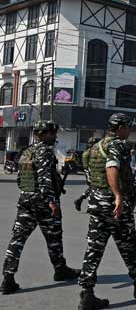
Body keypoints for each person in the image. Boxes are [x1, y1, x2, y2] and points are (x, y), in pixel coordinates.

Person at [77, 113, 136, 310]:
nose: (130, 130)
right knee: (130, 244)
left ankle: (86, 293)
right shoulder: (117, 145)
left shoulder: (96, 147)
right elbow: (112, 168)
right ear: (120, 127)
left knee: (94, 249)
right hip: (113, 206)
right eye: (128, 126)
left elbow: (90, 177)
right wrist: (118, 195)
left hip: (97, 204)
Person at [0, 121, 80, 294]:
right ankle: (60, 269)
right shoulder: (44, 152)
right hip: (43, 203)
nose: (55, 136)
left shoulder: (26, 152)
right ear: (42, 134)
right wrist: (51, 201)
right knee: (54, 238)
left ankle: (7, 278)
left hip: (26, 200)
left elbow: (22, 180)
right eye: (52, 133)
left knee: (17, 240)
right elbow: (45, 179)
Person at [75, 137, 101, 212]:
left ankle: (81, 200)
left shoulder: (88, 152)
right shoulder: (90, 152)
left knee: (92, 188)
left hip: (90, 172)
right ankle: (87, 204)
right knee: (93, 188)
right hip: (91, 172)